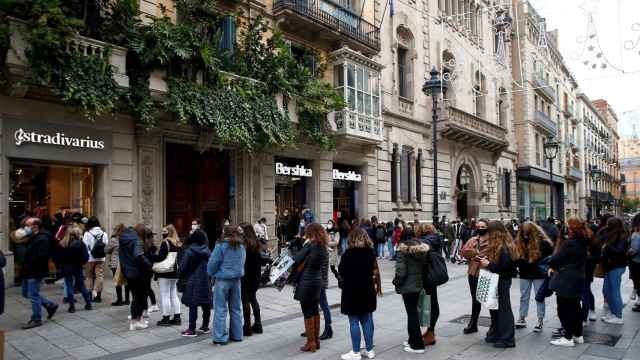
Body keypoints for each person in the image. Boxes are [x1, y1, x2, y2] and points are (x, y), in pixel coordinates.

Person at [339, 228, 380, 360]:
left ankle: (356, 352)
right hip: (367, 290)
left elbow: (342, 272)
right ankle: (369, 350)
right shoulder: (371, 253)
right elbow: (374, 271)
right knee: (367, 320)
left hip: (351, 291)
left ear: (352, 239)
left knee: (354, 322)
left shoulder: (347, 254)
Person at [548, 218, 589, 347]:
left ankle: (568, 337)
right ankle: (578, 335)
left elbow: (554, 259)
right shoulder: (584, 241)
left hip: (567, 278)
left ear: (571, 229)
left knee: (565, 308)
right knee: (575, 307)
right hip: (578, 277)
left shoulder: (570, 243)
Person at [478, 221, 516, 348]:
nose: (487, 234)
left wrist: (488, 264)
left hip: (503, 281)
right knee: (496, 308)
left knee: (504, 308)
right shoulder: (503, 244)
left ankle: (507, 338)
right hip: (500, 280)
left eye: (489, 232)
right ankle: (498, 333)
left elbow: (504, 268)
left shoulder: (504, 247)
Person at [293, 223, 329, 353]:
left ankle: (310, 342)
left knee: (307, 312)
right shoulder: (323, 247)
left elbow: (296, 259)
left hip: (306, 282)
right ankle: (316, 341)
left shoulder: (310, 246)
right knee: (315, 310)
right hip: (317, 281)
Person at [208, 225, 246, 345]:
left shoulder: (220, 246)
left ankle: (220, 337)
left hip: (223, 280)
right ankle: (237, 334)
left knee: (220, 308)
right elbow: (243, 261)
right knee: (236, 308)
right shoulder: (241, 246)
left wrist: (211, 273)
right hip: (236, 280)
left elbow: (213, 263)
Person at [513, 222, 553, 332]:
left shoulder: (543, 243)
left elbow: (548, 258)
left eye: (527, 233)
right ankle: (522, 317)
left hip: (538, 273)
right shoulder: (519, 241)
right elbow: (516, 257)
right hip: (524, 273)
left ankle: (540, 320)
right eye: (523, 232)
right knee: (524, 296)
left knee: (539, 297)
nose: (525, 235)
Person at [394, 234, 429, 354]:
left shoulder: (403, 252)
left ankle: (417, 345)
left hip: (408, 287)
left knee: (412, 314)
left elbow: (401, 272)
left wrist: (396, 282)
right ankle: (412, 339)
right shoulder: (421, 251)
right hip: (417, 285)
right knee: (412, 313)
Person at [21, 218, 59, 329]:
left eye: (27, 225)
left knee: (33, 295)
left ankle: (36, 318)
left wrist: (29, 265)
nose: (25, 228)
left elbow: (41, 256)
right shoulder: (34, 236)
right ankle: (50, 305)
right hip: (28, 270)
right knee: (26, 293)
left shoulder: (43, 238)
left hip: (35, 271)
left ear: (35, 226)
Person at [179, 229, 212, 337]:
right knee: (206, 303)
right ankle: (205, 326)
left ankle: (191, 329)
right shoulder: (207, 250)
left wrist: (181, 274)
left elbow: (183, 268)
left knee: (193, 304)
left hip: (192, 280)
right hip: (206, 280)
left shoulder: (189, 251)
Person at [118, 226, 152, 330]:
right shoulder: (137, 240)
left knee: (136, 297)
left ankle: (137, 320)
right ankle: (135, 321)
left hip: (128, 272)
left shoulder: (124, 240)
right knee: (140, 297)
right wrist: (149, 264)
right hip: (137, 272)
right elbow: (138, 256)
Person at [460, 219, 490, 334]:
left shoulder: (492, 241)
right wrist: (471, 254)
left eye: (483, 227)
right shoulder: (473, 239)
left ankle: (494, 326)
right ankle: (473, 323)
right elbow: (462, 252)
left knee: (488, 299)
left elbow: (490, 255)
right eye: (478, 226)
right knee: (475, 299)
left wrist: (476, 254)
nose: (480, 229)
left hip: (486, 273)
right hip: (473, 272)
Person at [56, 225, 92, 313]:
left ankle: (72, 307)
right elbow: (85, 257)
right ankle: (88, 303)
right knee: (82, 285)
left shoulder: (63, 243)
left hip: (66, 267)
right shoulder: (80, 244)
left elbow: (59, 257)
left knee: (69, 286)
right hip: (77, 267)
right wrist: (81, 263)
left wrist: (61, 265)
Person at [417, 224, 442, 346]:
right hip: (433, 276)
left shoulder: (425, 242)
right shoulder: (436, 239)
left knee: (428, 304)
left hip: (426, 276)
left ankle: (430, 333)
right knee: (433, 302)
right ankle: (430, 331)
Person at [600, 217, 629, 325]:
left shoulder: (622, 236)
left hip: (616, 266)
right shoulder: (612, 234)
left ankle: (618, 316)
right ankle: (613, 312)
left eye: (609, 224)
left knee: (614, 291)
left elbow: (620, 251)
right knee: (607, 291)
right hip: (610, 266)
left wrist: (607, 247)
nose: (607, 226)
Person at [154, 225, 182, 326]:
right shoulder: (177, 242)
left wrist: (151, 257)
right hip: (174, 272)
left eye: (164, 231)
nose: (162, 233)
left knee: (165, 295)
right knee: (173, 294)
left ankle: (166, 318)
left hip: (165, 272)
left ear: (168, 232)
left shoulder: (165, 242)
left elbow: (160, 257)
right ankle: (177, 317)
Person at [239, 223, 263, 336]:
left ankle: (247, 327)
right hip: (255, 276)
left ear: (245, 231)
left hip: (246, 276)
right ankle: (258, 324)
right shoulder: (256, 242)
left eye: (241, 230)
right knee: (253, 299)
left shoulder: (245, 244)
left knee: (245, 300)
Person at [83, 216, 107, 303]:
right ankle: (98, 295)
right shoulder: (104, 233)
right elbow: (106, 244)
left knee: (89, 276)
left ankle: (89, 295)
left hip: (90, 258)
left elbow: (84, 246)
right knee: (99, 276)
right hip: (100, 257)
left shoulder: (87, 233)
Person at [106, 224, 130, 306]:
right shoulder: (128, 239)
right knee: (127, 282)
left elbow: (106, 250)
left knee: (117, 281)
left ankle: (119, 300)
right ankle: (127, 300)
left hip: (116, 263)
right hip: (126, 262)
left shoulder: (114, 240)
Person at [629, 214, 640, 312]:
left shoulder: (636, 235)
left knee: (637, 281)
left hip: (637, 262)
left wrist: (628, 252)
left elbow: (634, 250)